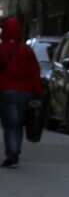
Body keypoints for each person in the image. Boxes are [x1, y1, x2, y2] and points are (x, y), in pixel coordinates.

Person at [0, 16, 44, 168]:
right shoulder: (26, 50)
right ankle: (15, 151)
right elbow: (34, 72)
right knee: (18, 123)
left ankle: (11, 153)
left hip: (6, 91)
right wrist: (38, 91)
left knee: (10, 123)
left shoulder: (2, 49)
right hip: (25, 92)